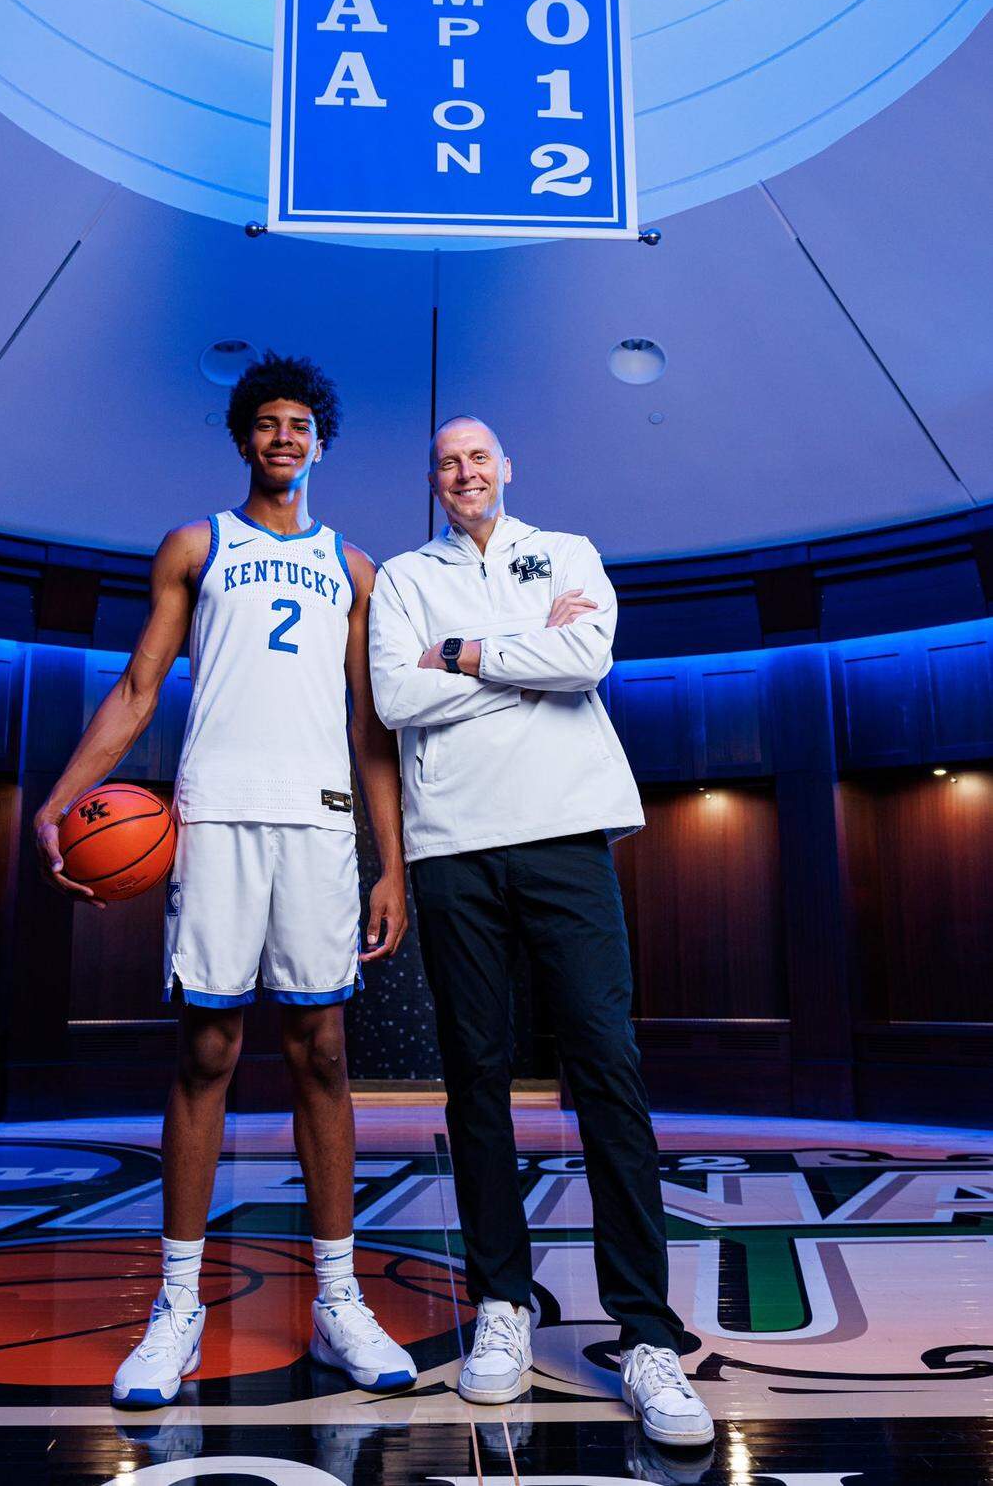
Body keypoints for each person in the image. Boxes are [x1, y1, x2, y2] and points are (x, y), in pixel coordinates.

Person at [34, 352, 417, 1409]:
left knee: (324, 1050)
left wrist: (392, 860)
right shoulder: (197, 544)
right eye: (268, 422)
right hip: (214, 817)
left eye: (301, 424)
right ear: (245, 438)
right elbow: (139, 684)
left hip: (320, 824)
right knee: (205, 1048)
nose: (285, 437)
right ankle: (176, 1305)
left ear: (320, 443)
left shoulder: (358, 566)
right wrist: (62, 797)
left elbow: (370, 727)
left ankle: (339, 1300)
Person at [367, 415, 714, 1448]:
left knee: (607, 1064)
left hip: (566, 835)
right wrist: (528, 664)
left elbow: (587, 657)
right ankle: (503, 1308)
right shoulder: (399, 575)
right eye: (446, 460)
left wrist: (467, 656)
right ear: (431, 479)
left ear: (506, 467)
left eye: (480, 456)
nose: (464, 472)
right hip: (451, 847)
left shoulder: (565, 552)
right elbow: (395, 694)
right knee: (476, 1073)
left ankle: (647, 1335)